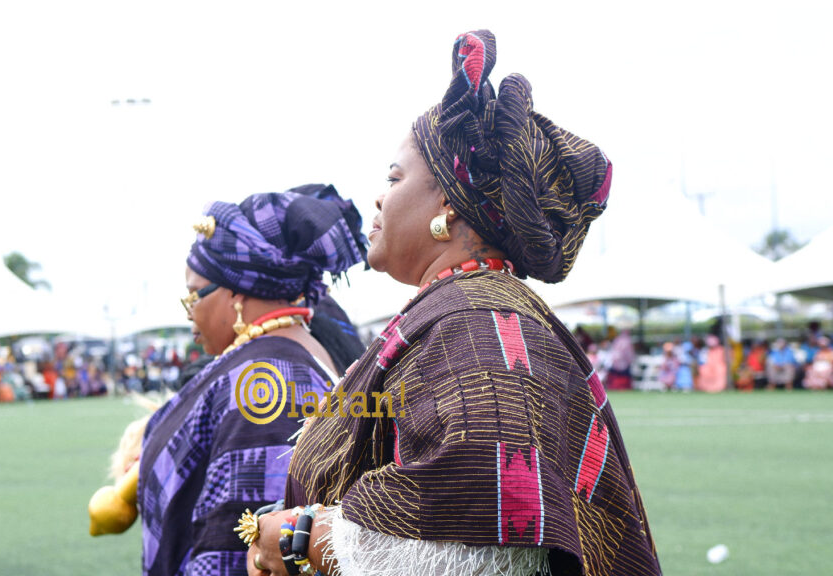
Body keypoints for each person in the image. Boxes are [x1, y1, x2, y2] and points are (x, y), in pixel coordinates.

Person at [248, 30, 660, 576]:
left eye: (394, 178)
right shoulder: (467, 311)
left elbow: (486, 542)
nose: (378, 195)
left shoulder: (480, 324)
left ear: (449, 200)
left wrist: (302, 539)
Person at [129, 184, 368, 576]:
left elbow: (235, 551)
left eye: (194, 295)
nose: (189, 311)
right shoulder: (278, 356)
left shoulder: (269, 378)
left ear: (236, 293)